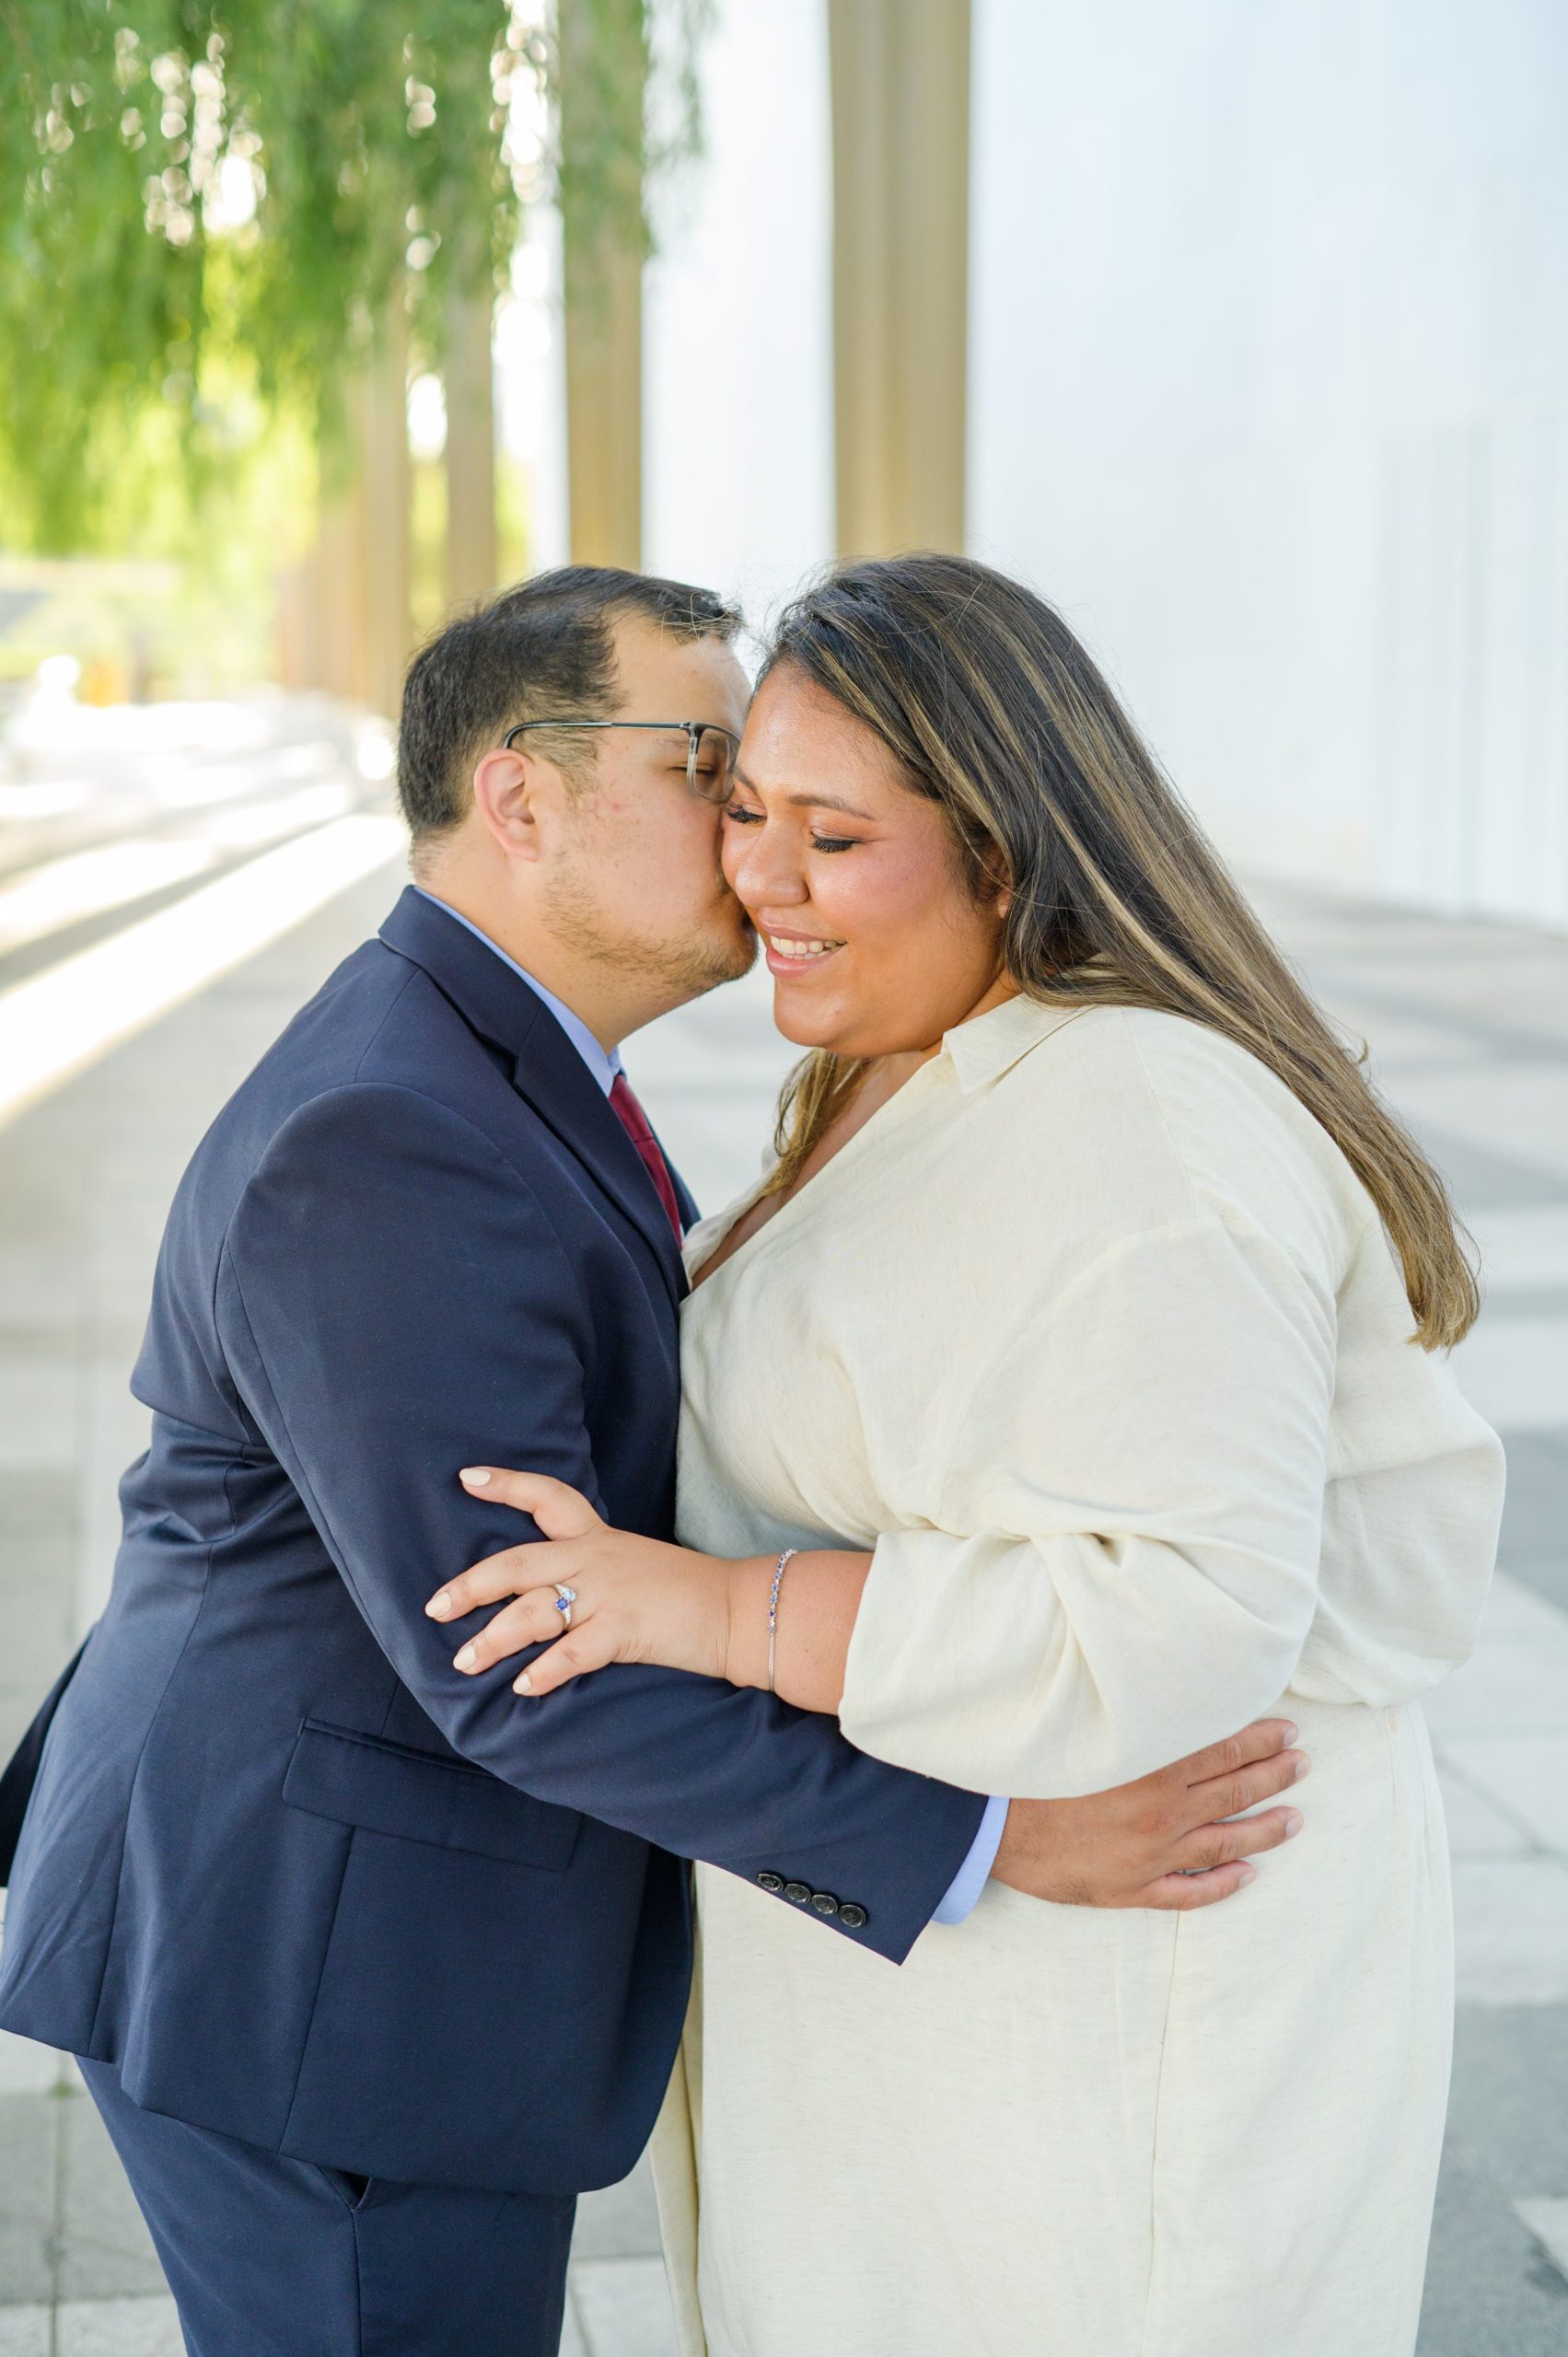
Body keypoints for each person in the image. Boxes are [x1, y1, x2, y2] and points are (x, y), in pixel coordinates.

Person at [0, 567, 1306, 2357]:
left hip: (342, 1917)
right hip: (319, 1976)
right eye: (708, 760)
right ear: (519, 795)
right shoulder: (393, 1131)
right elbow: (514, 1663)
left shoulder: (507, 1061)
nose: (749, 827)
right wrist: (994, 1837)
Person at [427, 555, 1505, 2357]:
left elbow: (1175, 1616)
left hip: (1119, 2032)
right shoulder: (920, 1055)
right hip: (959, 2014)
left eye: (831, 838)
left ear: (1006, 849)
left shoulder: (1146, 1125)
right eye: (745, 809)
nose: (753, 872)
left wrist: (714, 1608)